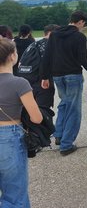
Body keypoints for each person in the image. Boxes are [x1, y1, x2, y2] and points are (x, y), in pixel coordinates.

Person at [40, 10, 87, 155]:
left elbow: (47, 56)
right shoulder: (79, 36)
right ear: (81, 22)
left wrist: (45, 77)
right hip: (73, 75)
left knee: (64, 104)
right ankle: (66, 144)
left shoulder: (55, 35)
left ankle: (59, 135)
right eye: (83, 24)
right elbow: (83, 58)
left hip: (57, 76)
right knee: (73, 109)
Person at [0, 38, 43, 207]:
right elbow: (37, 118)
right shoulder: (19, 83)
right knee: (15, 193)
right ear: (12, 56)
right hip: (9, 138)